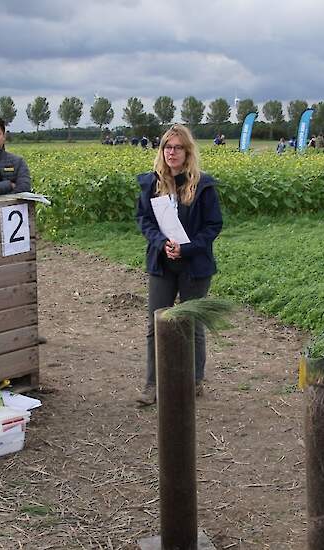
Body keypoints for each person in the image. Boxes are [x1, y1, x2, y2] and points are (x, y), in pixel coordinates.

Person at [135, 124, 223, 406]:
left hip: (194, 265)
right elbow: (144, 220)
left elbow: (213, 226)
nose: (171, 153)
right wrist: (162, 244)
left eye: (177, 147)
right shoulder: (152, 183)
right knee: (155, 323)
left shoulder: (203, 185)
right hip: (162, 263)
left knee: (191, 323)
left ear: (188, 151)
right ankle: (153, 383)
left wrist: (185, 248)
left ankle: (195, 379)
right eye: (167, 147)